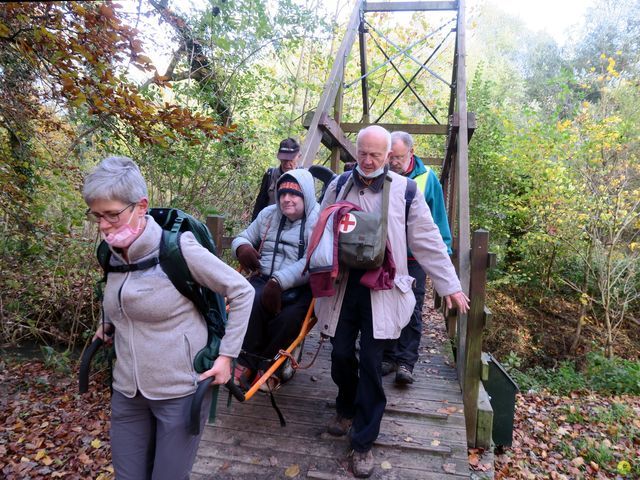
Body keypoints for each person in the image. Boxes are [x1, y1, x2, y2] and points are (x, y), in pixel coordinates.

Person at [83, 156, 254, 480]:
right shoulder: (111, 254)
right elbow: (119, 295)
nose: (104, 226)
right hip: (128, 391)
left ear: (141, 206)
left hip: (180, 390)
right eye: (98, 216)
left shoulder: (179, 249)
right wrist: (109, 321)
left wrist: (226, 357)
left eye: (112, 215)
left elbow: (242, 292)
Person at [313, 126, 469, 478]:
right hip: (344, 285)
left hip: (381, 288)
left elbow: (429, 240)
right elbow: (318, 228)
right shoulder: (339, 185)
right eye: (362, 153)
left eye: (376, 155)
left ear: (390, 157)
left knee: (370, 362)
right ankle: (346, 405)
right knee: (339, 354)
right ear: (356, 150)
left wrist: (450, 286)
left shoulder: (405, 191)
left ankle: (363, 441)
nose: (367, 161)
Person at [233, 169, 320, 387]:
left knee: (289, 317)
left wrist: (280, 281)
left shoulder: (318, 220)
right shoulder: (268, 215)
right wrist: (242, 248)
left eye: (294, 194)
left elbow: (314, 260)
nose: (286, 199)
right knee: (250, 301)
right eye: (283, 194)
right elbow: (244, 236)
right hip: (264, 277)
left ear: (306, 196)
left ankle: (271, 366)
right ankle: (246, 361)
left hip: (300, 285)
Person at [382, 131, 453, 385]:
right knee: (386, 305)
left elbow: (438, 216)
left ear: (411, 153)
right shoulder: (381, 174)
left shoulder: (427, 179)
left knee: (411, 307)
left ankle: (405, 362)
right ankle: (388, 357)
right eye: (390, 156)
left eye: (399, 157)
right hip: (385, 254)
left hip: (413, 257)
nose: (393, 162)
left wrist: (443, 250)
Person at [251, 137, 302, 221]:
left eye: (291, 159)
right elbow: (260, 204)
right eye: (283, 159)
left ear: (298, 156)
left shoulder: (304, 178)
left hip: (294, 227)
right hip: (270, 225)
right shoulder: (270, 175)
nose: (287, 163)